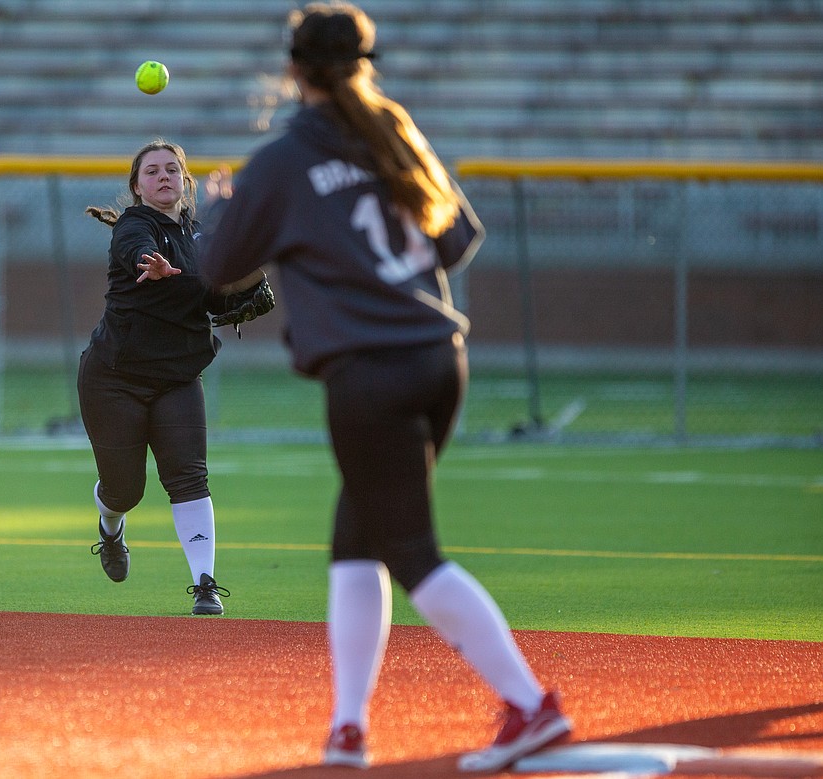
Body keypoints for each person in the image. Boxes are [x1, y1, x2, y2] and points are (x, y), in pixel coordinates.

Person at [198, 1, 572, 769]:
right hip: (437, 357)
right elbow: (458, 241)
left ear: (294, 70)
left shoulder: (284, 160)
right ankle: (348, 726)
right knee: (355, 542)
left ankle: (531, 705)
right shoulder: (391, 129)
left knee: (410, 550)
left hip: (371, 371)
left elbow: (214, 270)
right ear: (363, 63)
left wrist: (218, 205)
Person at [79, 138, 270, 616]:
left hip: (178, 377)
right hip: (115, 379)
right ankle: (110, 526)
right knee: (127, 490)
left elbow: (224, 296)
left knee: (189, 478)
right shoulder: (133, 226)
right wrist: (161, 266)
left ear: (185, 181)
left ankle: (205, 584)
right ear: (137, 186)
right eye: (152, 171)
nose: (163, 176)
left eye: (171, 169)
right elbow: (138, 251)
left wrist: (245, 273)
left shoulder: (201, 236)